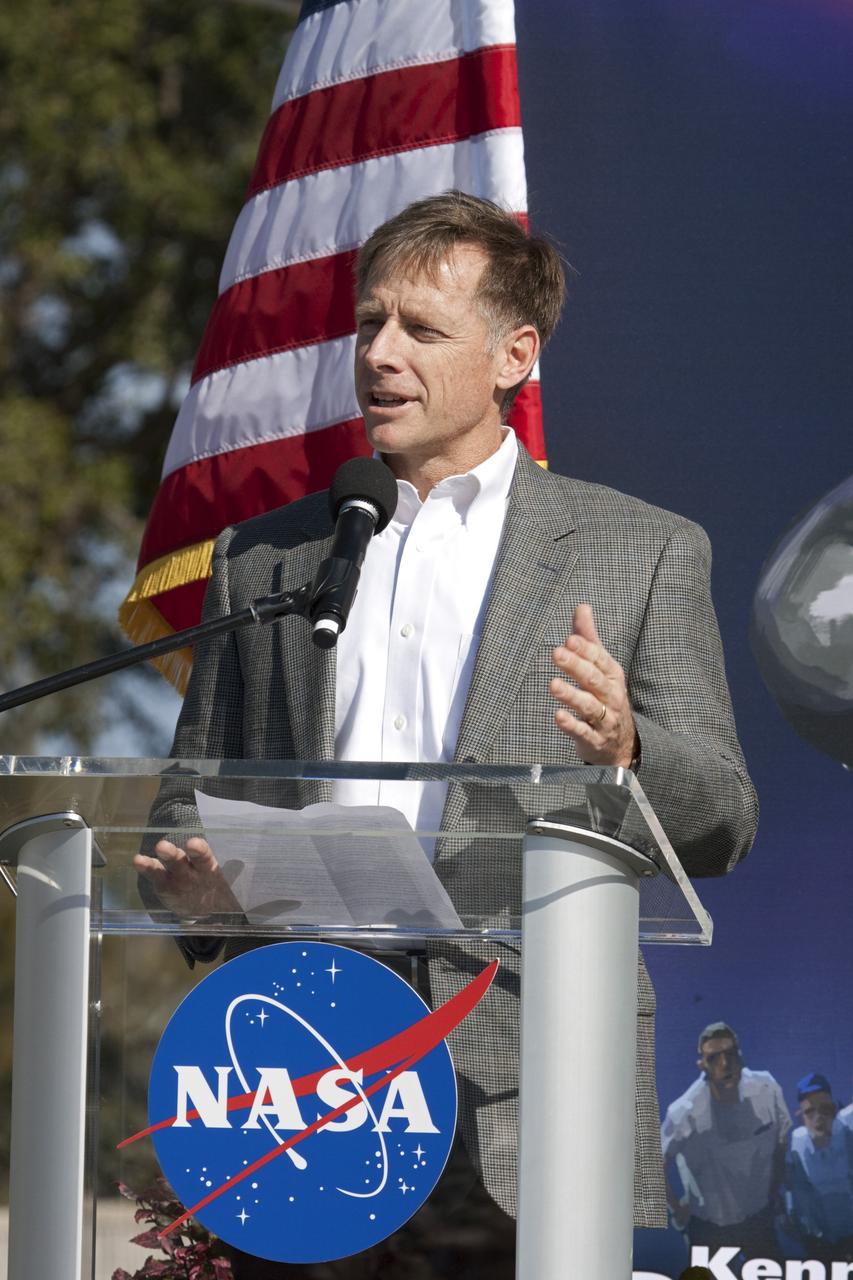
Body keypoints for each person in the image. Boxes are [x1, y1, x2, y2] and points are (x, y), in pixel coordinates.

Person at [137, 192, 759, 1274]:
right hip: (307, 1080)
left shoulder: (641, 550)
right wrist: (193, 886)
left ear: (513, 354)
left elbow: (724, 817)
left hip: (531, 1084)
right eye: (368, 323)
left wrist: (628, 751)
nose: (379, 354)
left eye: (420, 329)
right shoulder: (268, 557)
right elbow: (188, 798)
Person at [661, 1022, 790, 1269]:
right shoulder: (685, 1112)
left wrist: (775, 1192)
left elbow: (781, 1143)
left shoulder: (767, 1089)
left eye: (730, 1054)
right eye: (714, 1058)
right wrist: (676, 1209)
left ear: (739, 1055)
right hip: (709, 1227)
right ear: (703, 1065)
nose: (724, 1064)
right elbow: (652, 1164)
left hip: (758, 1220)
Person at [786, 1072, 853, 1263]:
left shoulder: (847, 1127)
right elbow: (797, 1199)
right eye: (810, 1112)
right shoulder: (797, 1144)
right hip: (821, 1243)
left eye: (825, 1110)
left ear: (834, 1109)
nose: (819, 1118)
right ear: (801, 1115)